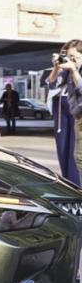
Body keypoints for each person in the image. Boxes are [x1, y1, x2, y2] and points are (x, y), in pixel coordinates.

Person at [48, 40, 82, 184]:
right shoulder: (68, 69)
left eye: (74, 56)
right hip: (71, 111)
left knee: (78, 155)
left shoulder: (75, 70)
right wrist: (57, 66)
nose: (71, 60)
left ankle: (76, 184)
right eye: (69, 56)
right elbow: (52, 83)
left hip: (76, 112)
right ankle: (70, 184)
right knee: (69, 152)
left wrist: (73, 69)